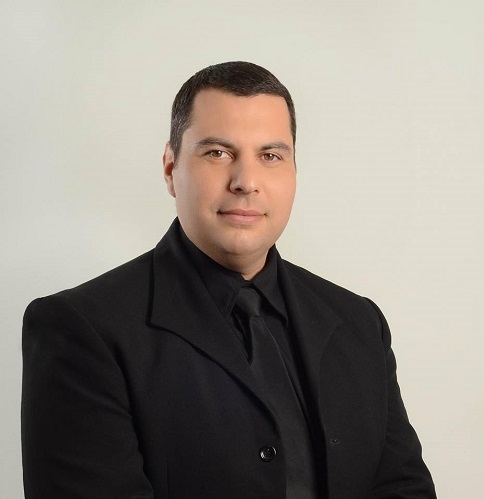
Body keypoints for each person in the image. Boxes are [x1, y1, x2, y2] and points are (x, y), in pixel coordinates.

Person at [21, 61, 436, 498]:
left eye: (270, 156)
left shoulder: (359, 322)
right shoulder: (81, 329)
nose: (246, 182)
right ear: (170, 169)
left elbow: (403, 489)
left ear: (294, 172)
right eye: (218, 153)